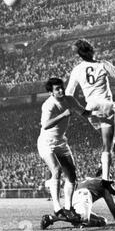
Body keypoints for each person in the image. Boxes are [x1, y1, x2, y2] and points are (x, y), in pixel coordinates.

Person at [65, 39, 115, 194]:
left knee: (111, 144)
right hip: (106, 106)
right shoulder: (103, 64)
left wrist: (81, 111)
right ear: (92, 51)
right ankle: (106, 180)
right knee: (107, 146)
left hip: (90, 108)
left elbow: (68, 94)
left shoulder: (76, 70)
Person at [38, 77, 98, 223]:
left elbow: (84, 113)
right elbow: (45, 125)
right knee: (56, 171)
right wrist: (63, 115)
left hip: (61, 142)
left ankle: (68, 208)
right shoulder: (48, 105)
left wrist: (99, 111)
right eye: (57, 89)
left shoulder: (69, 99)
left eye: (61, 88)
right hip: (47, 143)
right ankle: (57, 209)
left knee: (72, 175)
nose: (61, 91)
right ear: (51, 92)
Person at [41, 176, 115, 229]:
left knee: (102, 221)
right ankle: (53, 218)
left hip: (73, 198)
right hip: (84, 195)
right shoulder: (103, 184)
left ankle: (70, 218)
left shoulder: (89, 181)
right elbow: (112, 206)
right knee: (85, 221)